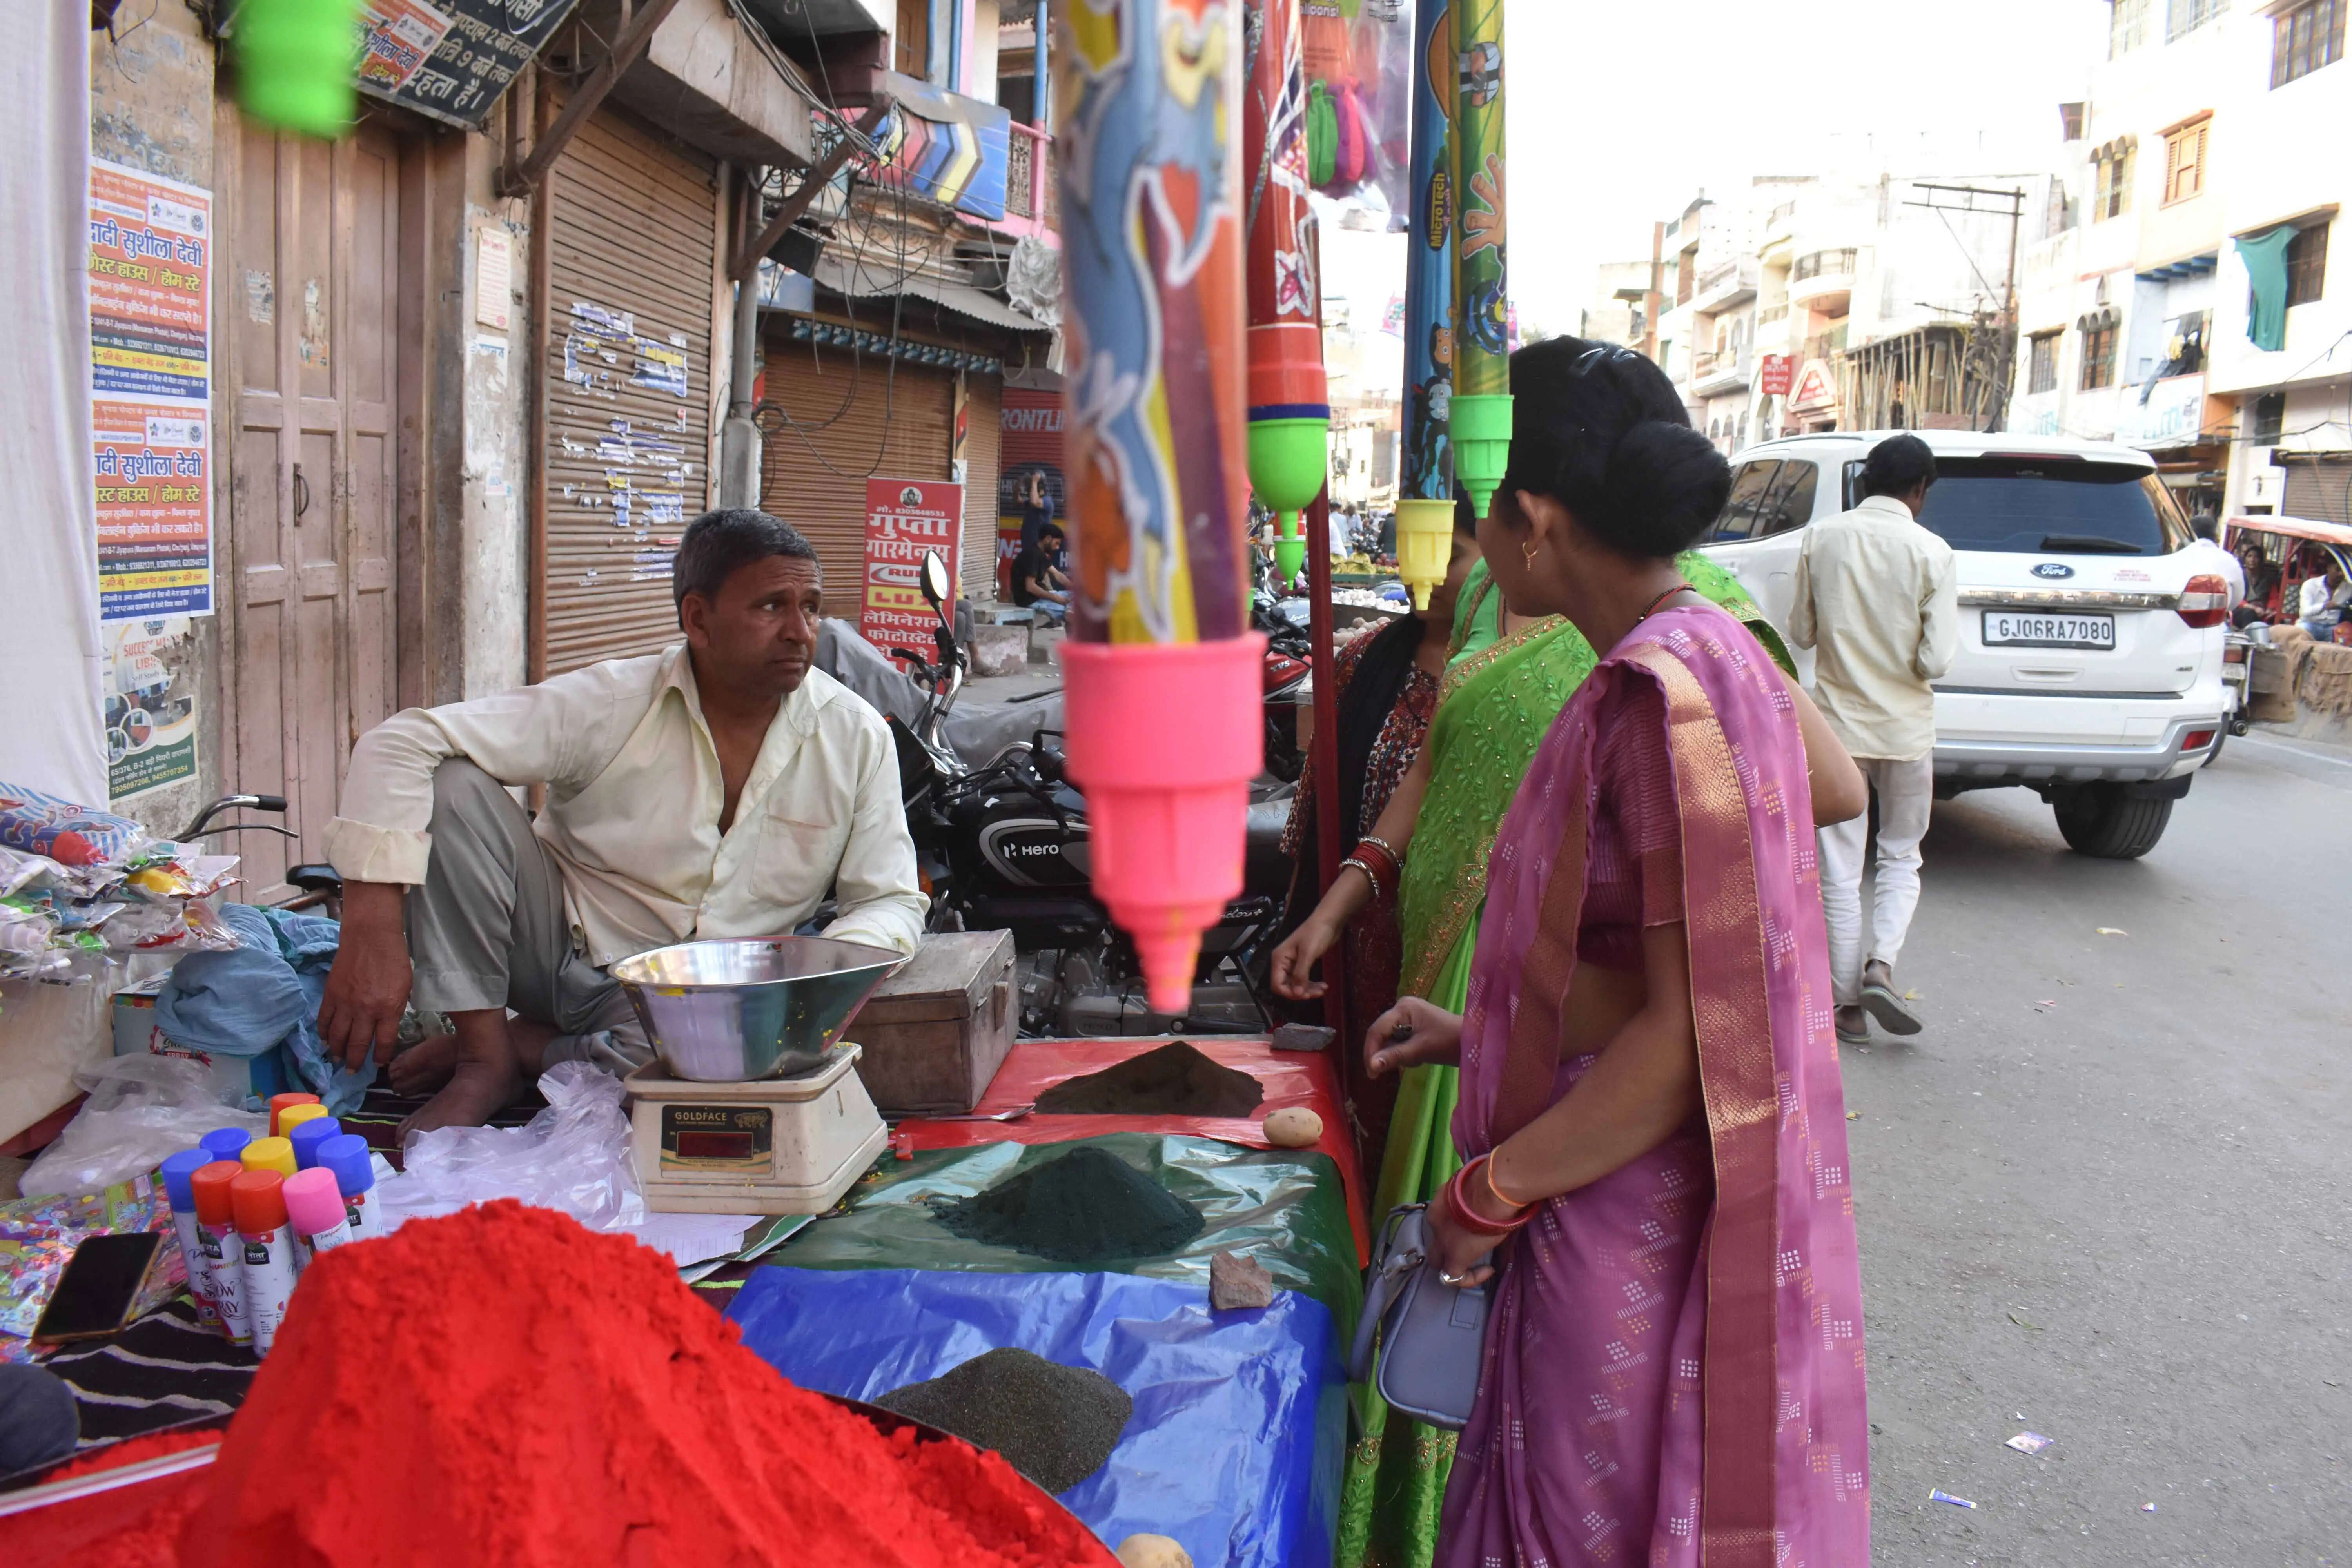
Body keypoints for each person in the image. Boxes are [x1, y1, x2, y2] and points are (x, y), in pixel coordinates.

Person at [1269, 339, 1844, 1568]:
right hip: (1632, 1186)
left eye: (1484, 512)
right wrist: (1480, 1029)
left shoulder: (1657, 695)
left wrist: (1491, 1190)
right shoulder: (1712, 658)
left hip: (1617, 1215)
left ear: (1530, 520)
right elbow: (1669, 986)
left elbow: (1690, 1038)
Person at [316, 509, 927, 1133]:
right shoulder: (613, 704)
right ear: (697, 619)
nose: (802, 632)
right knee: (453, 785)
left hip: (707, 1001)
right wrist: (372, 927)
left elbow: (892, 900)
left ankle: (526, 1050)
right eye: (772, 607)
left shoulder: (854, 736)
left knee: (709, 1066)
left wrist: (807, 975)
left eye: (811, 607)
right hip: (559, 955)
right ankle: (483, 1055)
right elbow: (399, 742)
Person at [1277, 513, 1481, 1170]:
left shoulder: (1509, 675)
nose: (1423, 572)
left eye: (1447, 554)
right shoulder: (1364, 661)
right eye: (1412, 552)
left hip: (1463, 951)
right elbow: (1323, 808)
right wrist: (1326, 912)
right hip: (1366, 934)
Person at [1789, 432, 1958, 1045]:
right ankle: (1881, 966)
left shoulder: (1823, 538)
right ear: (1918, 491)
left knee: (1838, 867)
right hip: (1907, 731)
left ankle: (1846, 1010)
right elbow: (1937, 660)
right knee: (1901, 854)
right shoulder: (1933, 552)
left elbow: (1801, 632)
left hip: (1837, 730)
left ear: (1865, 482)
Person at [1013, 521, 1071, 626]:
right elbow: (1031, 587)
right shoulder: (1032, 555)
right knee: (1073, 615)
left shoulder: (1040, 554)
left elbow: (1058, 575)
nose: (1057, 548)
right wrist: (1056, 599)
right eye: (1057, 544)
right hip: (1031, 601)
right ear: (1048, 539)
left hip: (1041, 597)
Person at [2187, 512, 2245, 612]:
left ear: (2189, 534)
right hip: (2217, 619)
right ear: (2215, 535)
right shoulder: (2230, 560)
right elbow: (2238, 597)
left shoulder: (2179, 556)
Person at [2298, 558, 2348, 641]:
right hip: (2310, 624)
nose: (2341, 574)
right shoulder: (2310, 585)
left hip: (2333, 628)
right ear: (2329, 568)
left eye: (2344, 571)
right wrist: (2324, 606)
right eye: (2338, 570)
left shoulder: (2349, 588)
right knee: (2302, 633)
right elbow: (2304, 612)